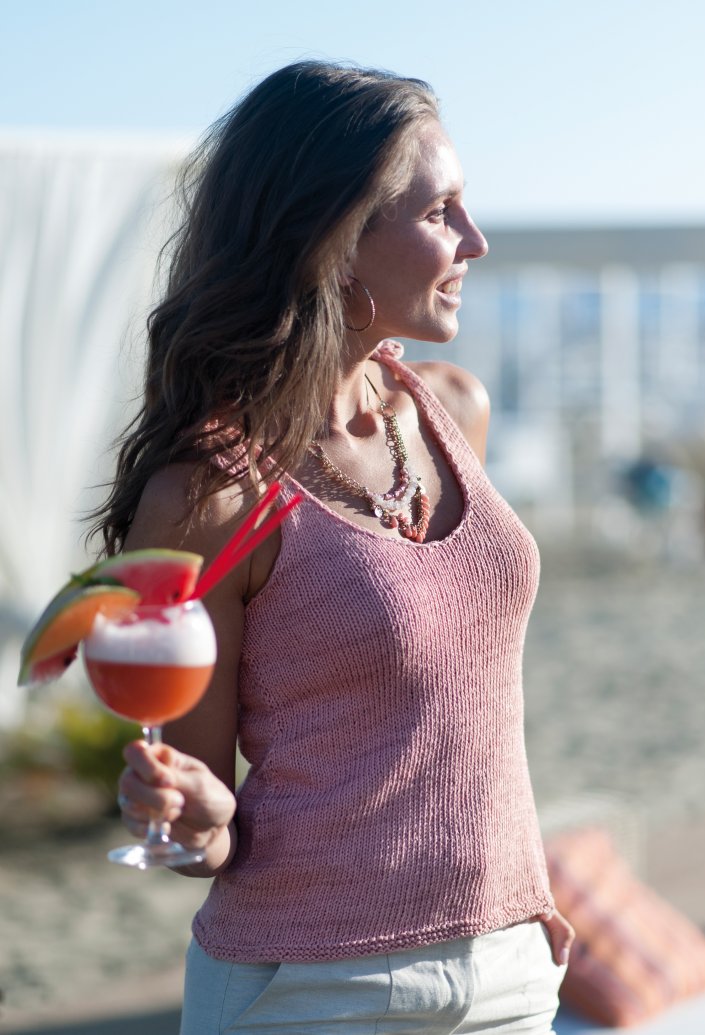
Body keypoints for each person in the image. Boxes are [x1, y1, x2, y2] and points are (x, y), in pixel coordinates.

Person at [93, 60, 574, 1034]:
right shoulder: (210, 496)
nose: (474, 240)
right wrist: (191, 816)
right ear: (335, 241)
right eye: (439, 211)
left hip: (510, 971)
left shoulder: (455, 412)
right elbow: (202, 833)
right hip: (314, 993)